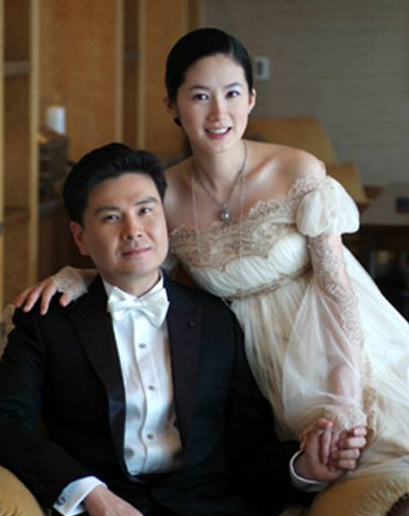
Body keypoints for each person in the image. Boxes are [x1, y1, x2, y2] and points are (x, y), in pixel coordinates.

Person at [15, 27, 408, 471]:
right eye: (200, 96)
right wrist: (76, 276)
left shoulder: (296, 171)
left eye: (232, 93)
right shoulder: (164, 197)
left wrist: (345, 395)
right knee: (285, 471)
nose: (219, 113)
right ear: (172, 105)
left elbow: (336, 290)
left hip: (330, 344)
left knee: (379, 458)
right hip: (248, 364)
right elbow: (144, 273)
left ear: (252, 99)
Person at [0, 143, 366, 516]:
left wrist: (303, 468)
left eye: (145, 211)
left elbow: (247, 443)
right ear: (80, 237)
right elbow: (7, 421)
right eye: (111, 217)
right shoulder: (45, 322)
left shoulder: (215, 318)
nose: (133, 231)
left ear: (166, 220)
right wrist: (89, 492)